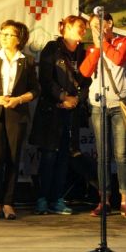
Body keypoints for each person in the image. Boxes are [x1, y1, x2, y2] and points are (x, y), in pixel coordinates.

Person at [0, 20, 40, 221]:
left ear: (19, 39)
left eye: (9, 34)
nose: (3, 37)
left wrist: (19, 99)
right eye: (2, 33)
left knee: (13, 158)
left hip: (17, 114)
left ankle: (9, 203)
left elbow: (36, 90)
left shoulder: (27, 61)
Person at [29, 15, 91, 215]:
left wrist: (76, 99)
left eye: (85, 28)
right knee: (49, 155)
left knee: (65, 156)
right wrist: (63, 97)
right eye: (80, 27)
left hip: (72, 111)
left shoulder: (83, 52)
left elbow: (87, 81)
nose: (83, 31)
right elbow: (45, 79)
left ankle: (57, 199)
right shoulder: (52, 48)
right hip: (51, 110)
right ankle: (42, 198)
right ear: (66, 28)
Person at [79, 11, 126, 218]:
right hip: (98, 105)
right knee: (102, 154)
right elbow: (85, 72)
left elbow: (118, 59)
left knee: (121, 154)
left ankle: (125, 200)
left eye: (99, 24)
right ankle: (104, 200)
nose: (95, 29)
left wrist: (103, 43)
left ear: (109, 23)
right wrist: (96, 48)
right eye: (92, 26)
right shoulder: (92, 48)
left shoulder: (124, 42)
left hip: (118, 104)